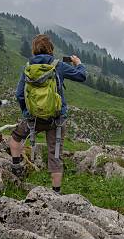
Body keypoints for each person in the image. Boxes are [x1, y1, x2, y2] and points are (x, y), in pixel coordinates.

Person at [9, 34, 86, 192]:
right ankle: (55, 193)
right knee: (55, 153)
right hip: (56, 119)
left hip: (33, 118)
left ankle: (16, 166)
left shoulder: (28, 67)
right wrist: (78, 63)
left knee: (16, 137)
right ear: (51, 49)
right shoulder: (58, 66)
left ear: (34, 49)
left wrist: (27, 112)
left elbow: (19, 94)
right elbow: (82, 76)